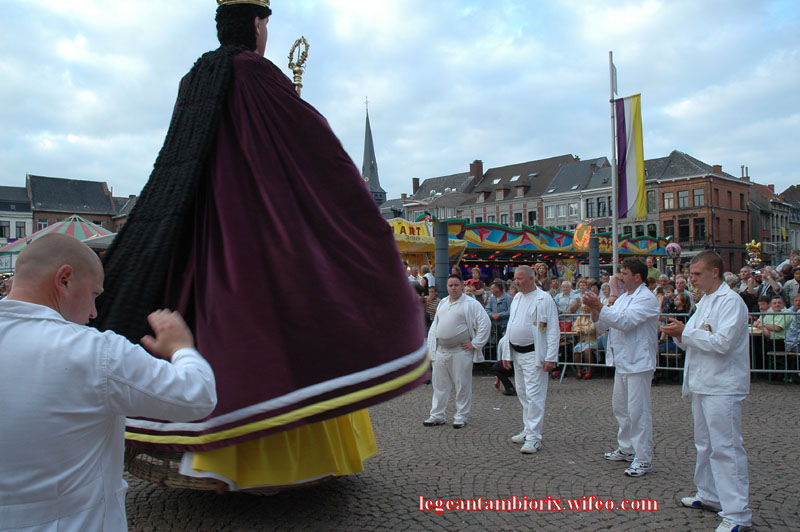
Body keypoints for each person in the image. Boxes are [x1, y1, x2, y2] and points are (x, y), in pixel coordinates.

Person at [94, 0, 426, 490]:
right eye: (266, 24)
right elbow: (316, 149)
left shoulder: (195, 77)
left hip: (198, 223)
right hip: (250, 224)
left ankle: (200, 457)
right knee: (279, 327)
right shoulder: (254, 72)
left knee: (207, 327)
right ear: (256, 24)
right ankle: (280, 464)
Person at [0, 234, 217, 530]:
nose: (93, 313)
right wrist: (182, 348)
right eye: (94, 295)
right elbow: (198, 396)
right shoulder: (97, 352)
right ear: (65, 280)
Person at [660, 250, 752, 532]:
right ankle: (709, 494)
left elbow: (722, 343)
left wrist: (685, 332)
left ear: (715, 272)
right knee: (705, 444)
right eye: (691, 274)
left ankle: (737, 512)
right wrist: (680, 334)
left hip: (723, 385)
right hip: (702, 382)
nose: (692, 279)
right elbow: (695, 340)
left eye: (697, 274)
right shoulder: (705, 301)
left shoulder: (731, 302)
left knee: (726, 447)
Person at [583, 257, 660, 477]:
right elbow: (605, 323)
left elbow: (625, 322)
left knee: (638, 412)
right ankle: (626, 448)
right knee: (621, 408)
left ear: (637, 277)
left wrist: (599, 306)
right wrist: (594, 309)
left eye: (624, 273)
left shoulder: (646, 299)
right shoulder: (625, 298)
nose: (619, 277)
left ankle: (643, 458)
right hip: (623, 361)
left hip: (639, 362)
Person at [499, 266, 560, 454]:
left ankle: (534, 437)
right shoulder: (517, 298)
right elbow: (511, 326)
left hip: (534, 354)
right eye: (515, 278)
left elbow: (552, 329)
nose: (516, 282)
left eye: (520, 278)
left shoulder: (544, 299)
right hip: (517, 353)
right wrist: (506, 352)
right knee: (523, 393)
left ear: (532, 279)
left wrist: (551, 357)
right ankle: (528, 430)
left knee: (535, 396)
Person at [424, 275, 491, 429]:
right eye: (450, 285)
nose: (453, 288)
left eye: (456, 285)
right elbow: (435, 326)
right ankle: (437, 415)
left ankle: (461, 416)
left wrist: (475, 343)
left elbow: (484, 323)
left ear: (462, 286)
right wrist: (431, 347)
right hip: (441, 350)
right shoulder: (443, 302)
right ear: (447, 287)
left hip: (460, 351)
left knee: (462, 384)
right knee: (439, 385)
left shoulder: (471, 304)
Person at [486, 280, 515, 395]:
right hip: (495, 327)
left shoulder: (507, 298)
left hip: (504, 326)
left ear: (499, 288)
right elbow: (487, 309)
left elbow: (511, 311)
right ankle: (500, 373)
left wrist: (500, 315)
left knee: (505, 349)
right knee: (498, 349)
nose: (491, 290)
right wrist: (491, 315)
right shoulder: (492, 299)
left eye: (493, 288)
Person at [572, 303, 598, 379]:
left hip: (592, 340)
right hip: (582, 340)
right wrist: (579, 329)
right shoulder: (580, 317)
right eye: (583, 308)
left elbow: (593, 328)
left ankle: (589, 371)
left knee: (587, 351)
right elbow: (575, 326)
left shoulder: (593, 316)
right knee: (576, 350)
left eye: (587, 307)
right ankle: (579, 371)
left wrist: (582, 329)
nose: (585, 309)